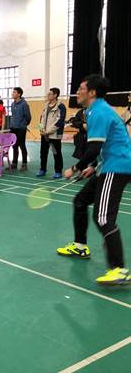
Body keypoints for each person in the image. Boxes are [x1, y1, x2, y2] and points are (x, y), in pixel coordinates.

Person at [57, 74, 131, 285]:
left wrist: (75, 168)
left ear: (92, 92)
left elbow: (93, 148)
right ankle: (80, 246)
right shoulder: (94, 110)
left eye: (81, 88)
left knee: (103, 217)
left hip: (117, 167)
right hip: (107, 164)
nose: (77, 92)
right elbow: (107, 144)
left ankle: (119, 270)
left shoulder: (99, 112)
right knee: (80, 201)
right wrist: (93, 166)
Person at [37, 87, 66, 179]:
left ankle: (58, 171)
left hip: (54, 136)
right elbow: (41, 118)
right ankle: (42, 169)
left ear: (55, 95)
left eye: (49, 94)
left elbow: (59, 122)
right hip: (44, 135)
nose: (48, 95)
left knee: (55, 153)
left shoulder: (61, 106)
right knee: (43, 153)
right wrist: (41, 129)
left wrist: (48, 132)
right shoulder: (46, 105)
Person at [9, 87, 31, 171]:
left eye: (14, 92)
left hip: (21, 128)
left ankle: (24, 164)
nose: (12, 94)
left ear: (19, 94)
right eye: (13, 92)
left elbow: (28, 117)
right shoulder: (12, 104)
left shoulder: (24, 104)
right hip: (13, 128)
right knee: (14, 146)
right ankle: (14, 163)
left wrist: (23, 125)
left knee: (22, 146)